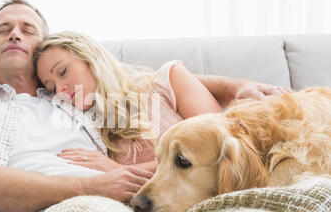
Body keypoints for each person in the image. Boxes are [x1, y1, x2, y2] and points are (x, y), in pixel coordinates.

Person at [0, 0, 289, 212]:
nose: (15, 35)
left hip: (130, 205)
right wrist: (94, 185)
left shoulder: (76, 101)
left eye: (28, 30)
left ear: (42, 47)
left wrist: (233, 85)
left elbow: (148, 84)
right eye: (3, 30)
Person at [33, 30, 223, 173]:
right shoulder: (89, 134)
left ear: (93, 54)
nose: (60, 89)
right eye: (51, 88)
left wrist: (119, 171)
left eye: (63, 72)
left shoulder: (167, 80)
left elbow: (218, 146)